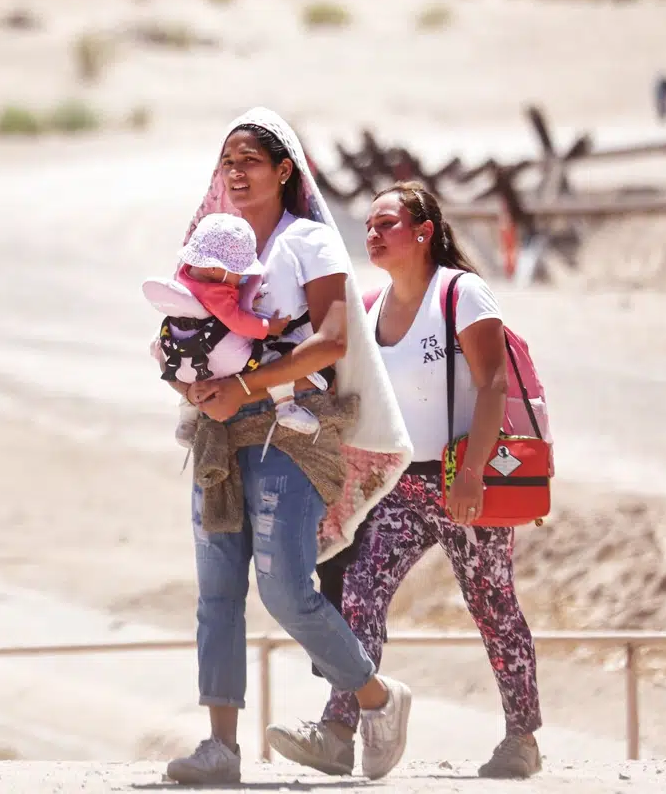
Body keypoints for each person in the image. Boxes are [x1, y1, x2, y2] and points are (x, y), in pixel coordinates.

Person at [161, 109, 415, 786]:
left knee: (283, 589)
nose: (236, 173)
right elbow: (187, 326)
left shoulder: (309, 242)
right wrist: (189, 380)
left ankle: (376, 698)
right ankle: (220, 747)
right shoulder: (216, 242)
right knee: (216, 593)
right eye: (227, 162)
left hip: (292, 436)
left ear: (284, 170)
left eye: (250, 160)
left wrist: (243, 384)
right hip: (220, 435)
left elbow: (331, 339)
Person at [265, 180, 544, 780]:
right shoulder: (367, 308)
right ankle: (338, 730)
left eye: (386, 224)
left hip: (463, 480)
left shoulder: (461, 294)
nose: (372, 234)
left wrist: (471, 474)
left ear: (423, 232)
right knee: (359, 592)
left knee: (492, 604)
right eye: (367, 225)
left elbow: (493, 383)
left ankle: (522, 738)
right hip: (397, 486)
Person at [143, 211, 321, 449]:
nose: (241, 278)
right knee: (272, 358)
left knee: (192, 377)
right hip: (223, 358)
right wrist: (269, 327)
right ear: (216, 269)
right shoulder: (216, 292)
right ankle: (286, 405)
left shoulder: (185, 277)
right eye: (239, 272)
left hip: (182, 361)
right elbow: (238, 322)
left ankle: (187, 421)